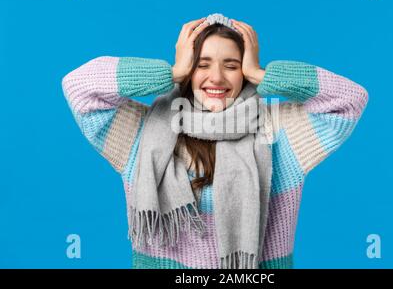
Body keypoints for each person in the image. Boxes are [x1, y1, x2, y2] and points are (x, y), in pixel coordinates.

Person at [61, 13, 369, 269]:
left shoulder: (276, 130)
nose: (217, 77)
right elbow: (79, 88)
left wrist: (261, 74)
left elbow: (349, 99)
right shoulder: (143, 131)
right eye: (203, 64)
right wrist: (172, 71)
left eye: (232, 65)